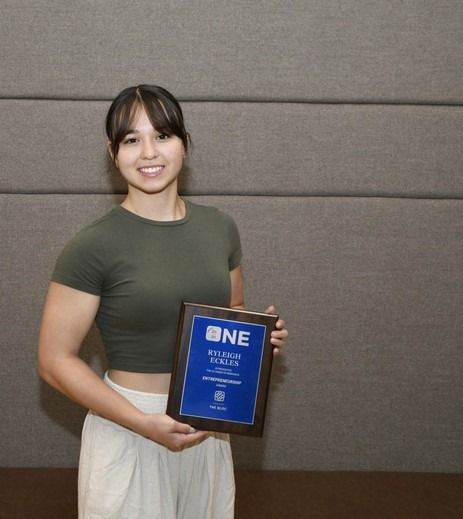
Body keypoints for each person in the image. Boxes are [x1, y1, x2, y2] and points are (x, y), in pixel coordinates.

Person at [37, 84, 288, 518]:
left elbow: (232, 315)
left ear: (185, 143)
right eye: (132, 140)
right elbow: (54, 360)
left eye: (163, 136)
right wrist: (142, 423)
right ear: (113, 153)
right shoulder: (93, 245)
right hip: (128, 426)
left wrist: (259, 338)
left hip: (207, 426)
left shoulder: (220, 228)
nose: (149, 152)